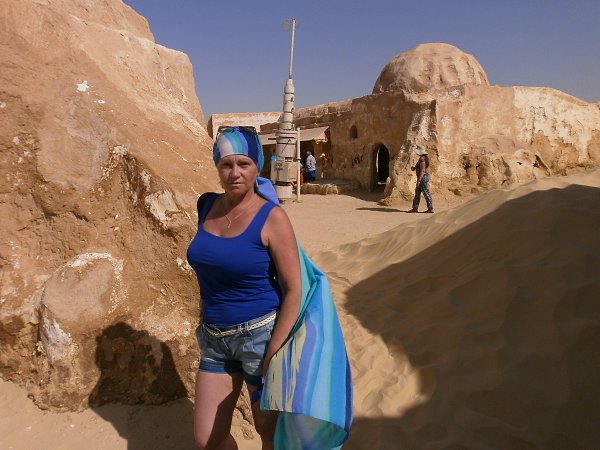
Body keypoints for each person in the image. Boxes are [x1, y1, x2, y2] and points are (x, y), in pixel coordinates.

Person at [187, 126, 301, 450]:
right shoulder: (206, 206)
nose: (235, 172)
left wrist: (274, 350)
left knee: (269, 432)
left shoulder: (272, 217)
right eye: (226, 164)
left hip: (260, 338)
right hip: (214, 338)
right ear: (217, 167)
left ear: (257, 166)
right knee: (208, 438)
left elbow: (294, 289)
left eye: (244, 164)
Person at [409, 145, 434, 213]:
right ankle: (415, 208)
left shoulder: (422, 159)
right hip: (422, 177)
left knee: (426, 192)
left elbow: (422, 171)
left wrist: (419, 181)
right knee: (417, 192)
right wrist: (415, 168)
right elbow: (421, 168)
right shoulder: (422, 158)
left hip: (423, 178)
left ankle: (430, 208)